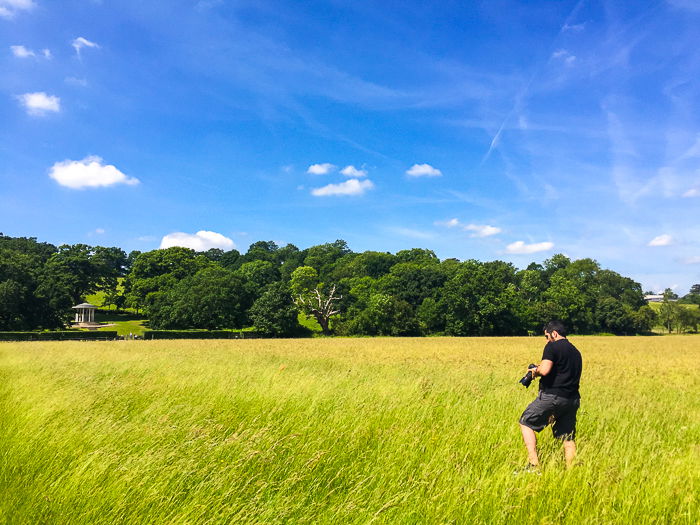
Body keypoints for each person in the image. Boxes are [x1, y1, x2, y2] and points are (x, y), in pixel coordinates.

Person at [518, 320, 582, 469]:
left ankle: (533, 465)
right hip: (572, 399)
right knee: (567, 436)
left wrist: (535, 371)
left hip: (552, 396)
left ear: (554, 333)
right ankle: (571, 470)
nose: (547, 339)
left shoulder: (552, 346)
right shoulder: (575, 351)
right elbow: (561, 371)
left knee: (526, 422)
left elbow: (545, 370)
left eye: (547, 336)